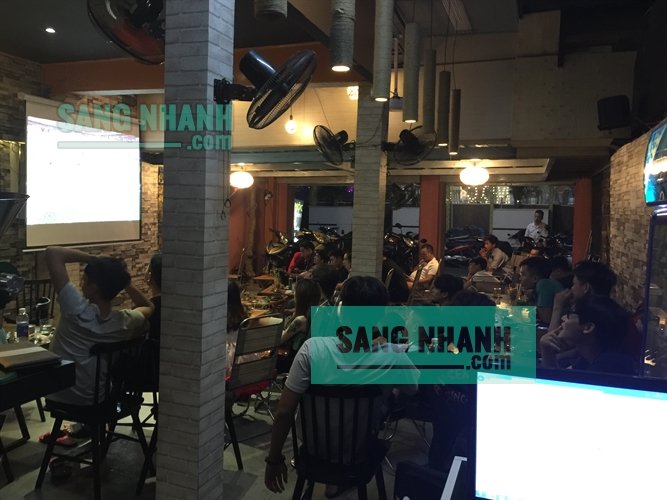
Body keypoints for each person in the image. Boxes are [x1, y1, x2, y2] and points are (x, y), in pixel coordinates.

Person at [264, 276, 418, 495]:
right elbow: (412, 389)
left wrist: (274, 459)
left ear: (341, 310)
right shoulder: (394, 355)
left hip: (314, 451)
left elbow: (284, 411)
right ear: (382, 314)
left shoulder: (311, 349)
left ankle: (331, 484)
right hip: (361, 452)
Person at [45, 246, 153, 406]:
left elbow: (52, 252)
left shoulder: (75, 310)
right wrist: (124, 283)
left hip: (59, 395)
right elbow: (149, 306)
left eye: (85, 281)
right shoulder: (124, 322)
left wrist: (94, 259)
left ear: (94, 289)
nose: (82, 284)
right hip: (98, 399)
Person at [540, 295, 637, 375]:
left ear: (588, 327)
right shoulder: (588, 358)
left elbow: (561, 390)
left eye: (569, 316)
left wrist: (547, 355)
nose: (564, 319)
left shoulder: (609, 367)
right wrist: (548, 353)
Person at [277, 278, 322, 373]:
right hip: (302, 360)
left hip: (290, 362)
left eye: (295, 292)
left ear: (300, 297)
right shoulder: (315, 313)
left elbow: (279, 340)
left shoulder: (300, 320)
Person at [518, 256, 563, 325]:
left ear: (535, 278)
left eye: (523, 275)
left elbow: (546, 319)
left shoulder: (544, 284)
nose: (520, 279)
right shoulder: (540, 287)